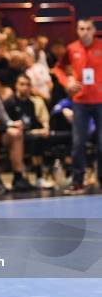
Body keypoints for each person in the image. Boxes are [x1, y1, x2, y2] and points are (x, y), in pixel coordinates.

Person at [54, 18, 102, 194]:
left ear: (94, 30)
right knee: (78, 144)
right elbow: (58, 68)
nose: (85, 32)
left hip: (100, 102)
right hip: (80, 103)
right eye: (81, 29)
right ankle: (78, 182)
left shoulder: (101, 46)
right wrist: (67, 82)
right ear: (77, 31)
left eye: (88, 29)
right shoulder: (72, 49)